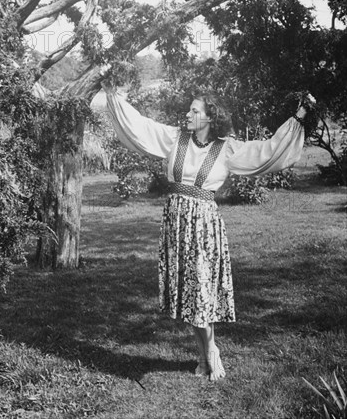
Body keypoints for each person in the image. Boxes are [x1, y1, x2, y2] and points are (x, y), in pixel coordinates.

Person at [102, 82, 315, 381]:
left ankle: (212, 352)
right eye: (189, 109)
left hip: (203, 227)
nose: (187, 114)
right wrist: (114, 94)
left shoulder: (228, 147)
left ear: (210, 117)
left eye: (194, 110)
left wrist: (299, 118)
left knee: (200, 292)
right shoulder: (175, 138)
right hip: (177, 224)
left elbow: (267, 150)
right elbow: (141, 127)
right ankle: (203, 359)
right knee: (190, 295)